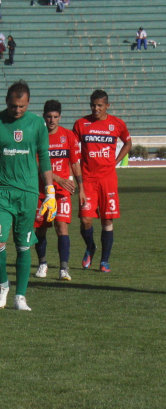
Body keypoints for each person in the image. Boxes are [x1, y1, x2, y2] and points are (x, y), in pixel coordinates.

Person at [0, 81, 56, 311]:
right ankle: (2, 285)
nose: (16, 110)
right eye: (12, 105)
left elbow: (44, 158)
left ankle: (20, 296)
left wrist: (50, 192)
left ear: (28, 103)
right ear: (6, 101)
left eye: (21, 106)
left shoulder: (37, 124)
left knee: (23, 246)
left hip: (27, 194)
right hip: (0, 193)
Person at [72, 89, 132, 273]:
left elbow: (128, 142)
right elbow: (73, 149)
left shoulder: (117, 124)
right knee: (85, 219)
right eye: (93, 105)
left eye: (99, 105)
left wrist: (115, 161)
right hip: (88, 179)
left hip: (108, 180)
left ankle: (105, 261)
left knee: (107, 220)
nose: (96, 109)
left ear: (107, 106)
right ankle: (90, 247)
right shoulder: (81, 124)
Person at [34, 100, 85, 281]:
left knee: (61, 227)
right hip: (42, 191)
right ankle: (42, 263)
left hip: (62, 192)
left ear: (60, 117)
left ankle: (64, 268)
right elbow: (37, 166)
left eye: (55, 117)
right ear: (44, 117)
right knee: (40, 229)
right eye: (49, 116)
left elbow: (74, 163)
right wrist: (59, 179)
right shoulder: (38, 136)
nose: (52, 120)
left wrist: (81, 189)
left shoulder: (69, 136)